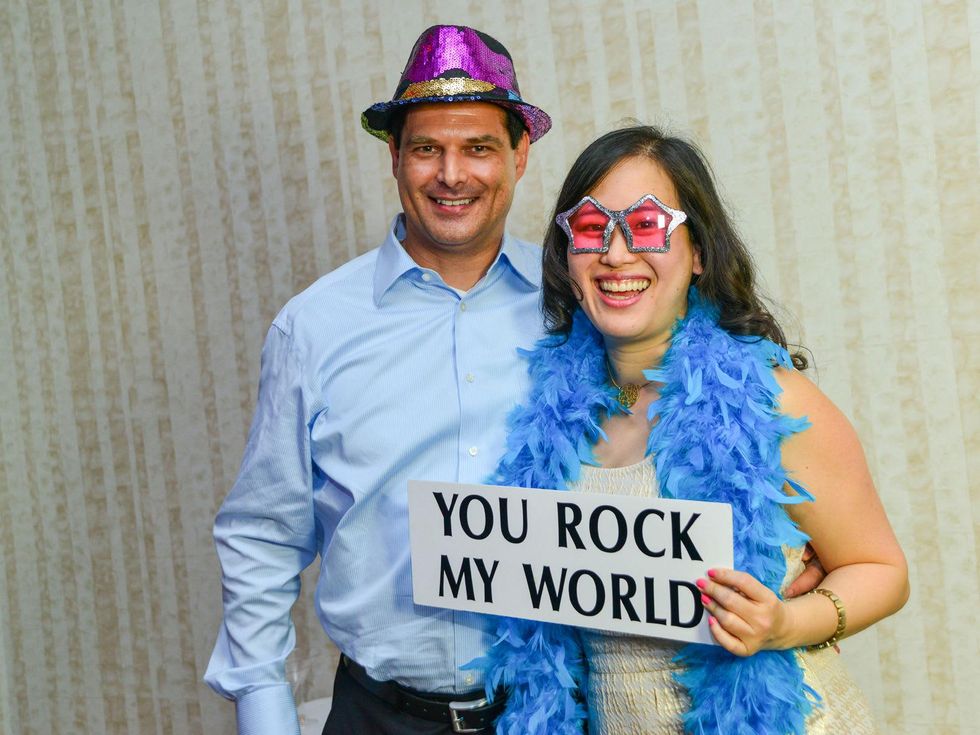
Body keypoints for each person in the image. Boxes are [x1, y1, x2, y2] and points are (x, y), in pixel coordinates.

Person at [482, 126, 909, 734]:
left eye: (648, 225)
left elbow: (883, 571)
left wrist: (786, 625)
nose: (616, 252)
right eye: (590, 226)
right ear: (567, 253)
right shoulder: (545, 417)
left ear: (699, 252)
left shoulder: (770, 398)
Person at [204, 25, 554, 735]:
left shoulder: (577, 306)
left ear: (519, 155)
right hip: (378, 715)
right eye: (427, 148)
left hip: (554, 709)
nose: (452, 175)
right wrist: (266, 720)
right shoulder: (313, 327)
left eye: (479, 147)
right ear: (394, 156)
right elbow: (263, 536)